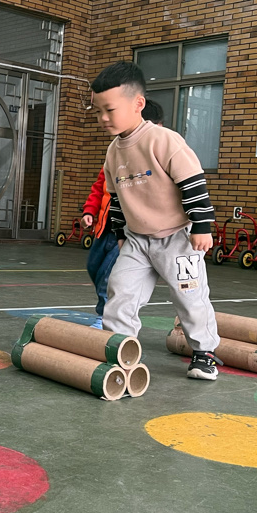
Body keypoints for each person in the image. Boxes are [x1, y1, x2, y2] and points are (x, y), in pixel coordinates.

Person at [92, 62, 222, 380]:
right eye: (98, 111)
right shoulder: (113, 152)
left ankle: (204, 352)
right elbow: (117, 197)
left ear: (138, 103)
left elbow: (193, 183)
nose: (103, 118)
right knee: (120, 292)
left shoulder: (163, 140)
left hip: (178, 238)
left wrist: (202, 226)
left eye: (110, 110)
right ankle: (120, 350)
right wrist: (119, 233)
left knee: (189, 297)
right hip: (137, 240)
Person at [81, 100, 164, 329]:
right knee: (94, 267)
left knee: (110, 275)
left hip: (128, 233)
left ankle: (105, 317)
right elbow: (99, 188)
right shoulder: (116, 155)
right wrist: (90, 211)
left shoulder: (156, 157)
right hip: (105, 228)